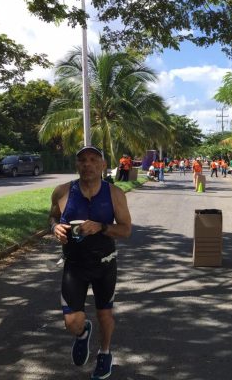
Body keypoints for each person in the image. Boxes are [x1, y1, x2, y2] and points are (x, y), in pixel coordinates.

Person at [49, 146, 132, 379]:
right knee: (71, 322)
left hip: (104, 263)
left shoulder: (115, 194)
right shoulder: (62, 192)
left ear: (103, 165)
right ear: (77, 165)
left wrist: (102, 226)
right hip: (74, 265)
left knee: (104, 315)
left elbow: (126, 230)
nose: (87, 164)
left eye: (93, 160)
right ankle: (83, 332)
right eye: (82, 160)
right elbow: (52, 216)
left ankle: (104, 353)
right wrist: (55, 228)